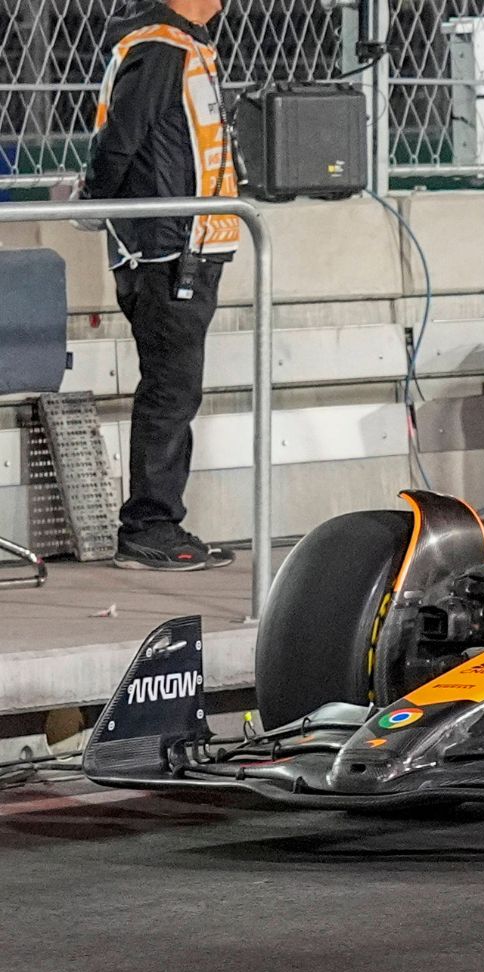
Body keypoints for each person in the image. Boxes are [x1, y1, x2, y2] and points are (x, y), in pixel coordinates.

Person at [81, 0, 238, 571]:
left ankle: (160, 521)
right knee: (170, 391)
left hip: (184, 248)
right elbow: (120, 142)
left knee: (176, 389)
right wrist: (95, 203)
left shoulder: (183, 46)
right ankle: (149, 526)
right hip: (166, 253)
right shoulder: (160, 49)